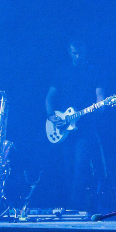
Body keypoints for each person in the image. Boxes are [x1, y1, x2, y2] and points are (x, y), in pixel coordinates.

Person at [45, 40, 106, 212]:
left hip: (86, 127)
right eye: (74, 53)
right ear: (69, 52)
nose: (78, 56)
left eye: (81, 53)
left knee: (81, 165)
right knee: (67, 167)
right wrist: (51, 115)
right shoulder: (62, 71)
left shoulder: (95, 71)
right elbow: (49, 97)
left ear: (86, 51)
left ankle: (76, 207)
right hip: (63, 126)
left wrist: (100, 106)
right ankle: (66, 205)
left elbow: (100, 97)